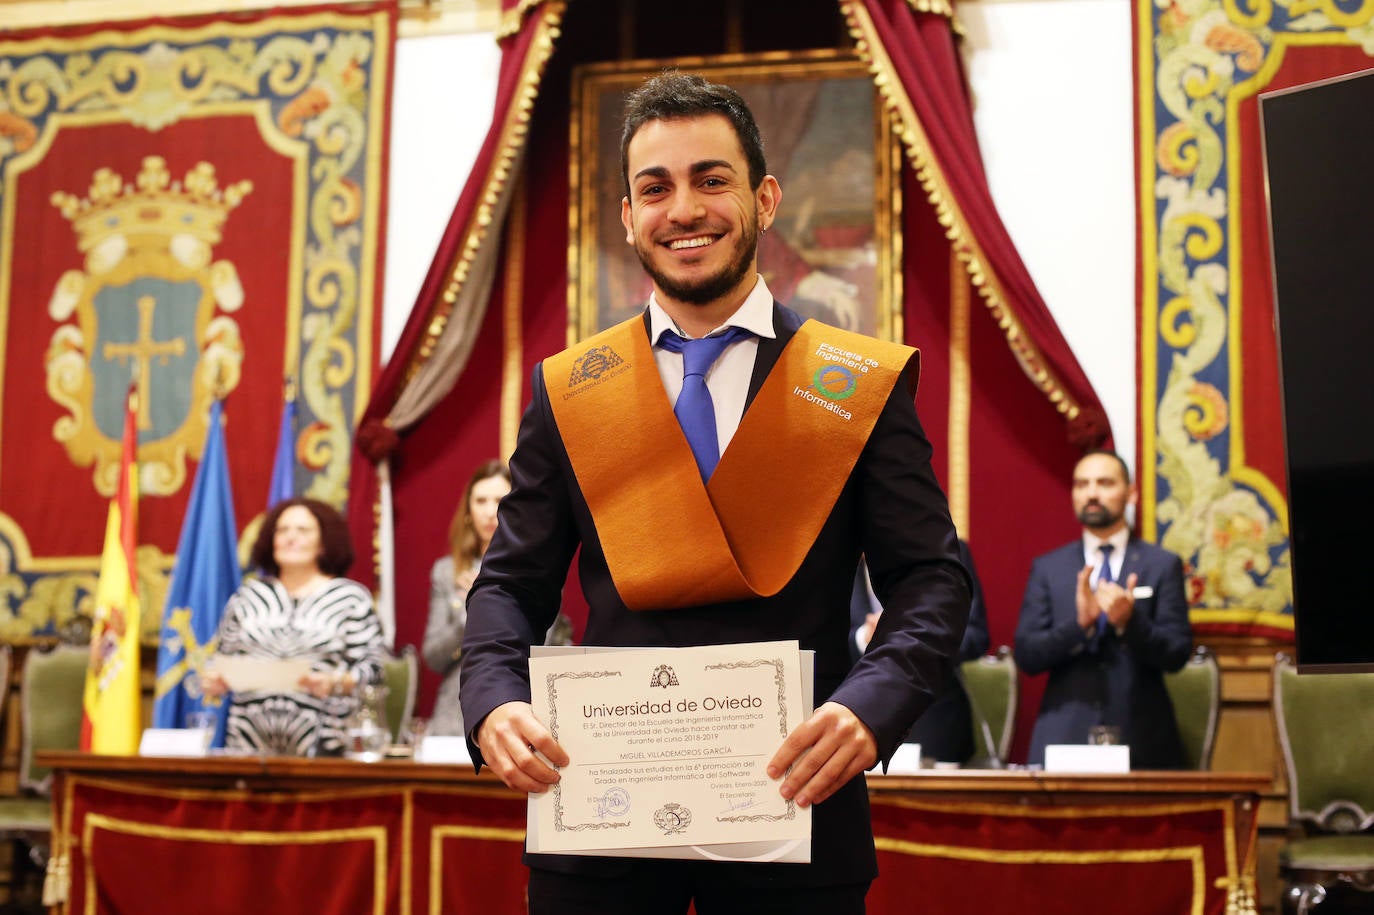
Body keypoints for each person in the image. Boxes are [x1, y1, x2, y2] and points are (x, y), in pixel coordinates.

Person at [458, 71, 970, 914]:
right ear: (628, 216)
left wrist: (870, 708)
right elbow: (510, 584)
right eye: (655, 188)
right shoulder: (570, 388)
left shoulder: (856, 383)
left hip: (795, 812)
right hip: (603, 823)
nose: (683, 208)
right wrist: (494, 700)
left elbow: (932, 582)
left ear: (765, 198)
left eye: (712, 179)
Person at [1013, 450, 1193, 769]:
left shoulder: (1161, 565)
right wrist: (1080, 625)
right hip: (1064, 734)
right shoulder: (1049, 568)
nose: (1092, 493)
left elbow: (1177, 653)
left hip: (1142, 738)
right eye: (1082, 484)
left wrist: (1130, 622)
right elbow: (1027, 655)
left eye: (1105, 483)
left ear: (1131, 492)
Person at [202, 497, 386, 756]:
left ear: (324, 542)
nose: (291, 537)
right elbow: (221, 659)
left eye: (303, 530)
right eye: (282, 530)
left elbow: (375, 670)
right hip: (248, 747)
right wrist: (214, 679)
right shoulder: (249, 596)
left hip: (326, 747)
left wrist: (336, 682)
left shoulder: (350, 599)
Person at [422, 460, 572, 737]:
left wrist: (487, 604)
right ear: (468, 510)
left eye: (499, 500)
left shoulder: (538, 570)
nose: (490, 512)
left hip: (515, 712)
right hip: (451, 720)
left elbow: (538, 649)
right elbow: (433, 657)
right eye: (480, 501)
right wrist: (470, 613)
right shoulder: (446, 572)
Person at [851, 539, 991, 763]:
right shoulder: (835, 561)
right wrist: (863, 638)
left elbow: (975, 636)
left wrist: (906, 638)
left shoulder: (948, 549)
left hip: (936, 725)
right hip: (859, 725)